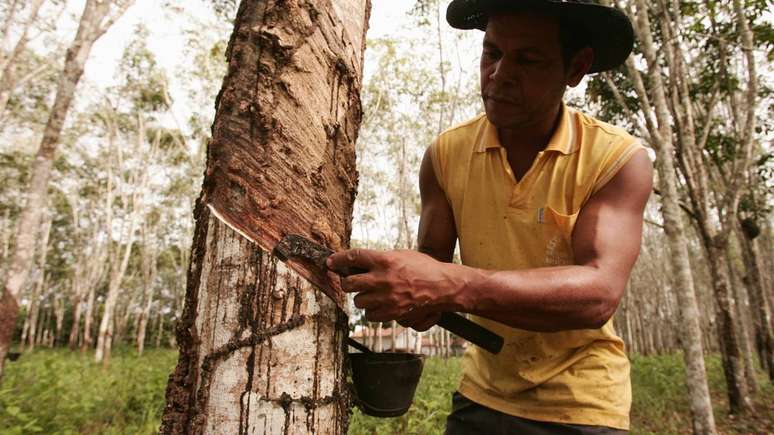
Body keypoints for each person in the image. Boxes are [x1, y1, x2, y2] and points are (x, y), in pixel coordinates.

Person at [328, 0, 652, 433]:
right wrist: (403, 287)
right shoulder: (445, 157)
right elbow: (434, 272)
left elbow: (599, 293)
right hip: (482, 394)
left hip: (583, 404)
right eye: (492, 54)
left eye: (528, 60)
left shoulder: (616, 160)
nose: (500, 75)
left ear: (575, 68)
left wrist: (451, 285)